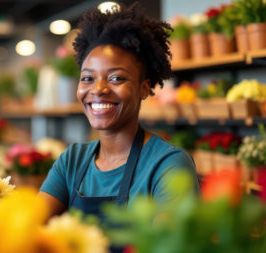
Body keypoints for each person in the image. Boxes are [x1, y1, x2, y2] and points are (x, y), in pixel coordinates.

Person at [39, 2, 200, 220]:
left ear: (144, 88)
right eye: (87, 78)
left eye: (116, 78)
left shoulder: (168, 164)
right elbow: (29, 225)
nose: (98, 89)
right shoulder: (72, 160)